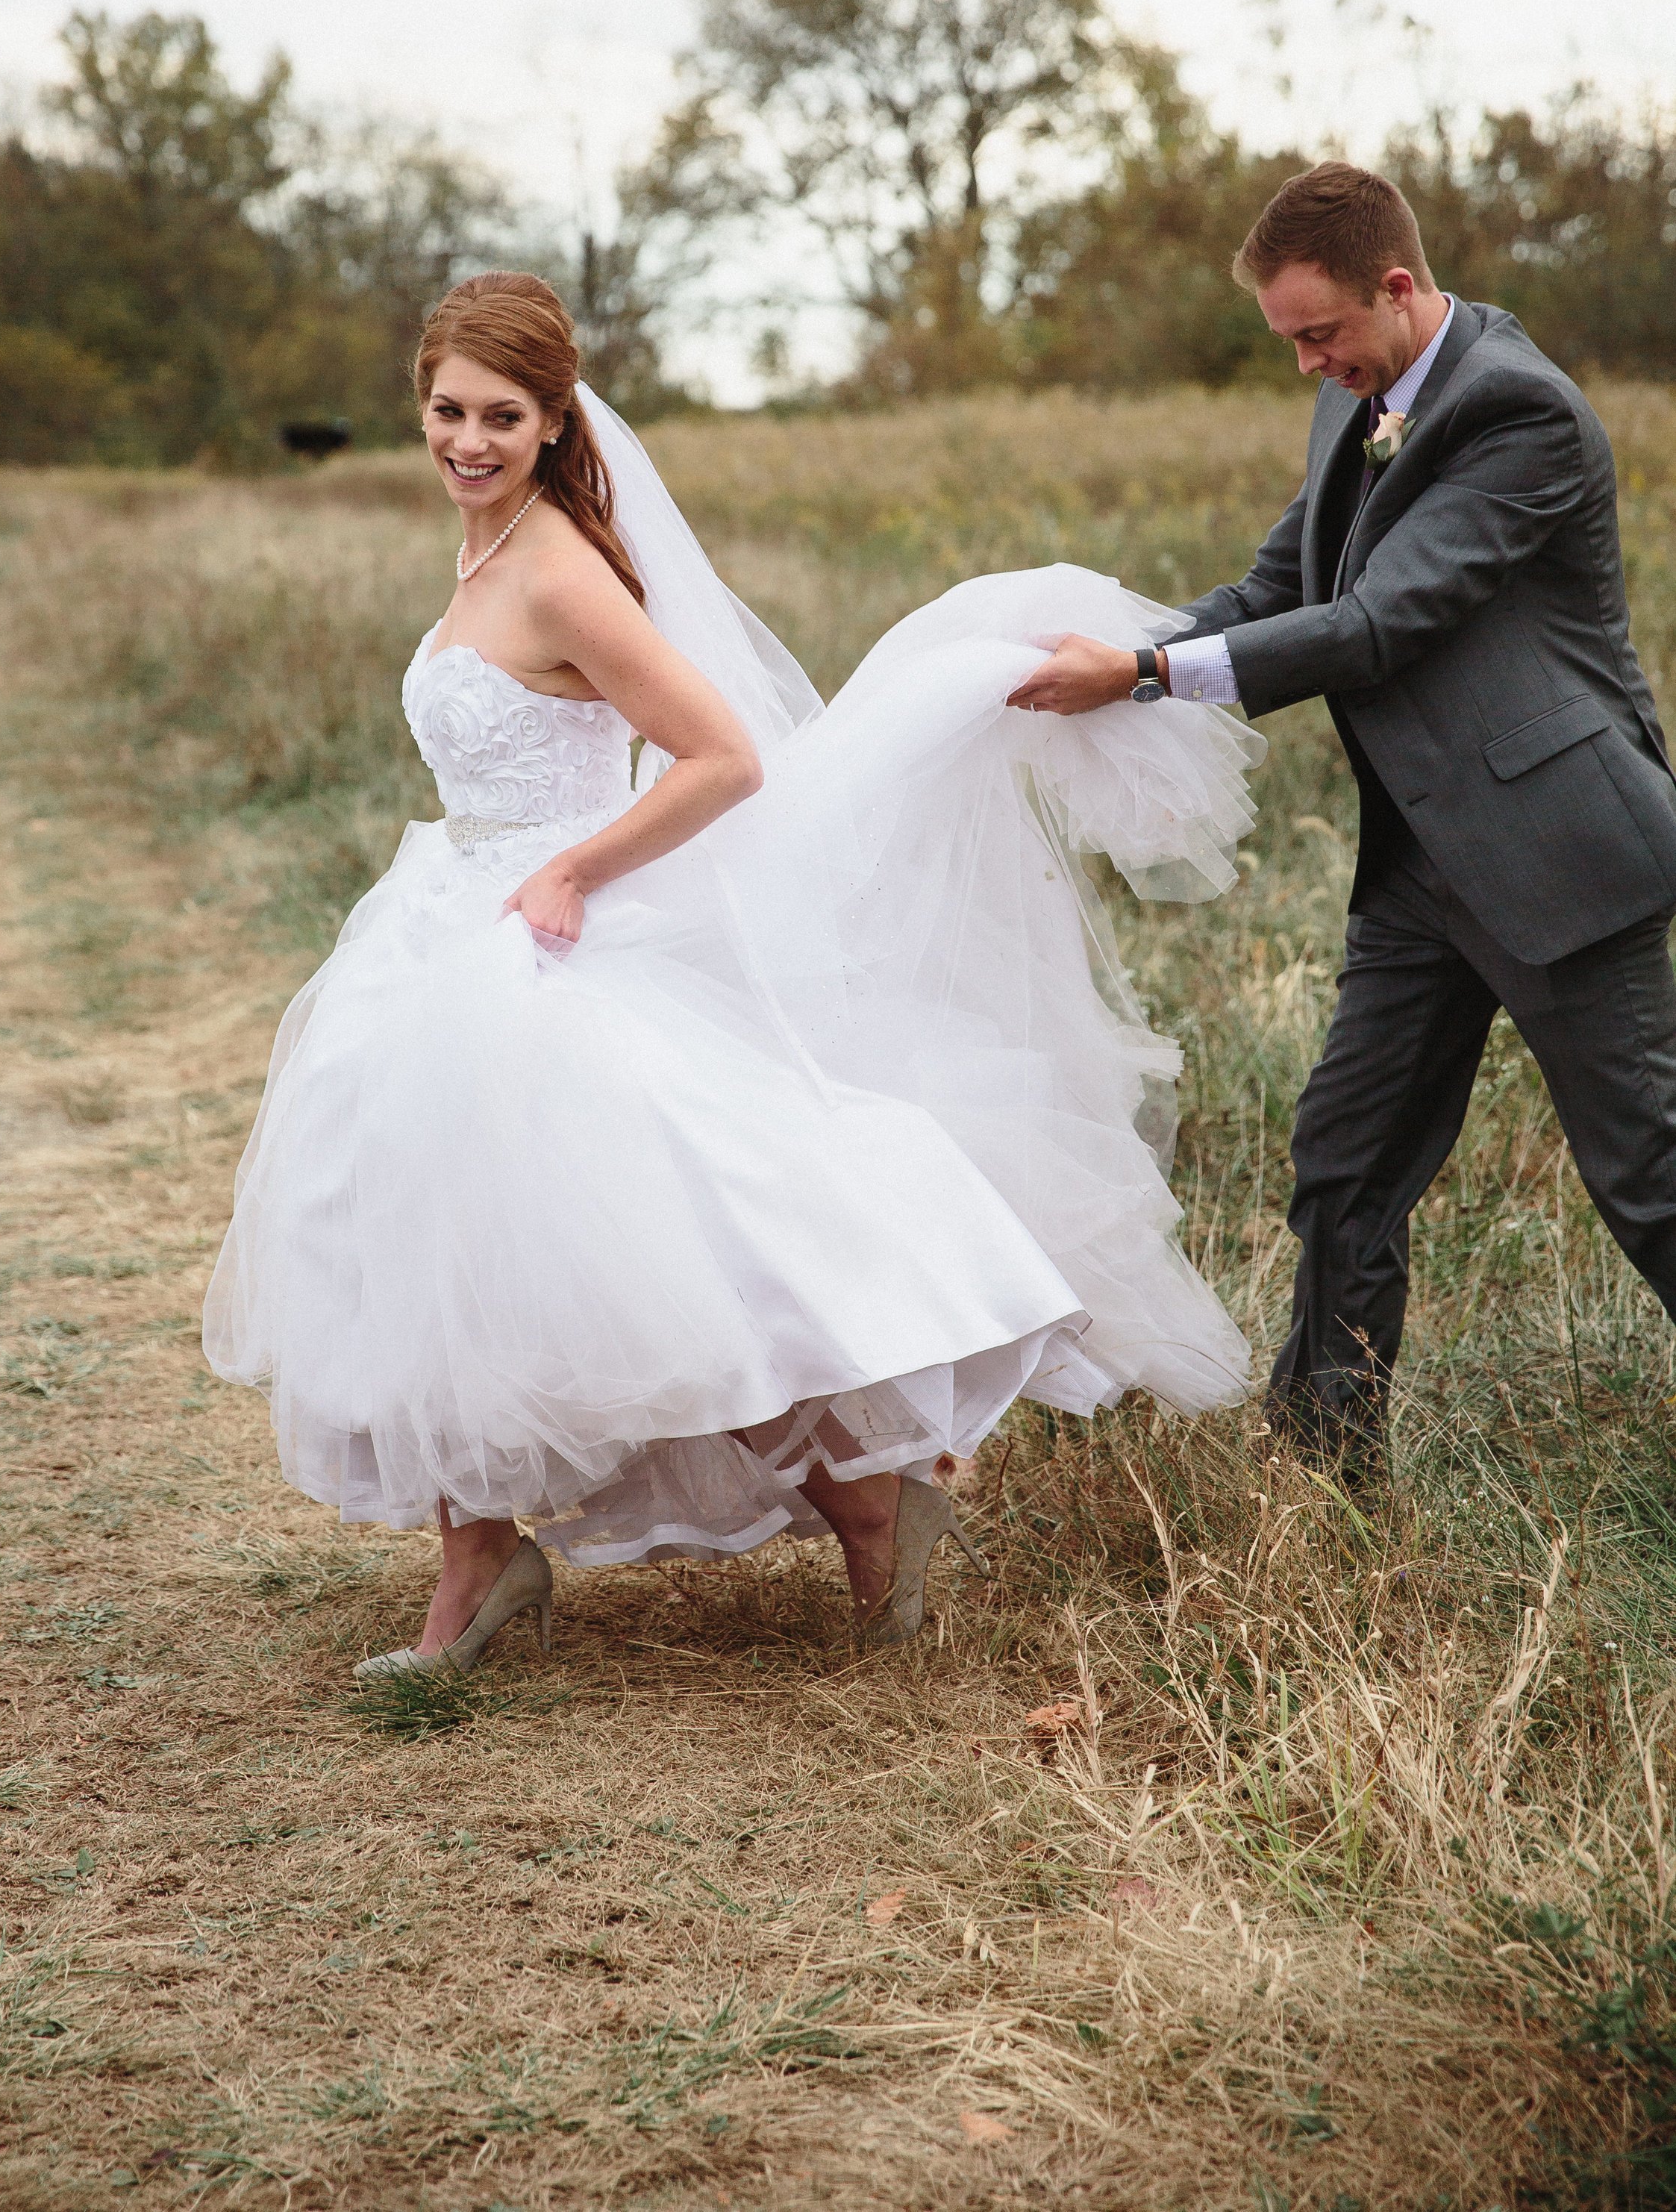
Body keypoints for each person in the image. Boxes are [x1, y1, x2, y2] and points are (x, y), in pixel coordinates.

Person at [204, 272, 1254, 1676]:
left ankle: (877, 1509)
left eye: (500, 415)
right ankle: (479, 1565)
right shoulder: (486, 542)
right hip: (446, 915)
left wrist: (574, 870)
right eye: (446, 411)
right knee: (424, 1229)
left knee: (686, 1257)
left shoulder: (561, 562)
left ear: (554, 414)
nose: (466, 438)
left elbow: (723, 757)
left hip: (545, 922)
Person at [1011, 163, 1676, 1475]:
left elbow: (1376, 627)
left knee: (1648, 1173)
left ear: (1398, 284)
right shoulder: (1359, 396)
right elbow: (1277, 583)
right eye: (1290, 341)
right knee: (1344, 1159)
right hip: (1423, 868)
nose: (1308, 364)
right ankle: (1325, 1463)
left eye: (1320, 333)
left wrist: (1144, 680)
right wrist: (1131, 644)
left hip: (1555, 851)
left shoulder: (1520, 412)